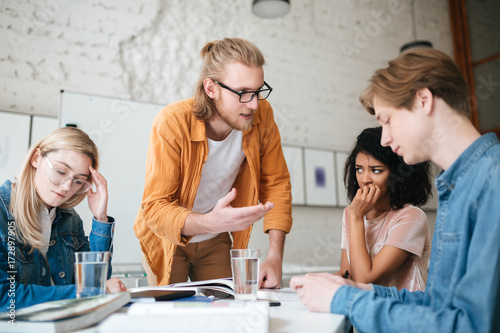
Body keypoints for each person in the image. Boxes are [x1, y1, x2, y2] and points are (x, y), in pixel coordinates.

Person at [290, 48, 500, 332]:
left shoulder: (492, 181)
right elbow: (437, 307)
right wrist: (351, 289)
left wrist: (345, 299)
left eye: (387, 120)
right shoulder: (460, 185)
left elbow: (470, 327)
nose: (386, 139)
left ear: (424, 100)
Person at [134, 37, 292, 287]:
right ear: (211, 89)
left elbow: (277, 184)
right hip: (168, 239)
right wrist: (209, 221)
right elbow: (155, 208)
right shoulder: (171, 123)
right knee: (172, 316)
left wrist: (275, 256)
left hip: (217, 240)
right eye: (242, 93)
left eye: (257, 91)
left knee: (223, 312)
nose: (253, 104)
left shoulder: (263, 114)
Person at [0, 127, 126, 310]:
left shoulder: (70, 220)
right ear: (36, 159)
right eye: (60, 171)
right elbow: (4, 298)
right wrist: (94, 291)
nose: (67, 187)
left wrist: (100, 219)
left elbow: (97, 285)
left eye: (78, 180)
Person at [336, 126, 432, 291]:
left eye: (376, 170)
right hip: (364, 310)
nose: (365, 179)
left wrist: (357, 218)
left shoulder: (411, 217)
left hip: (402, 312)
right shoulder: (350, 213)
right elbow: (348, 274)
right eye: (359, 169)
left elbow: (365, 281)